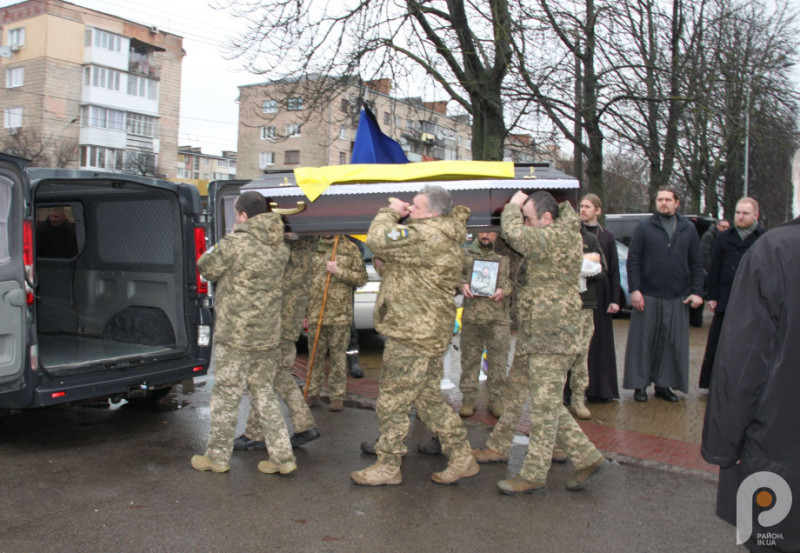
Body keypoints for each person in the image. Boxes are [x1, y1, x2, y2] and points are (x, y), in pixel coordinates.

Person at [472, 191, 608, 495]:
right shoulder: (551, 235)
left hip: (552, 336)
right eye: (523, 218)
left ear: (547, 219)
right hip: (535, 335)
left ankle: (534, 473)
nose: (525, 222)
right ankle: (585, 456)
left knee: (544, 410)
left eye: (528, 218)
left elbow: (514, 234)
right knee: (522, 392)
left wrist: (511, 205)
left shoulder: (560, 237)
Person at [701, 151, 800, 553]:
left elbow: (741, 365)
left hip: (777, 454)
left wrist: (723, 447)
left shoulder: (775, 252)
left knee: (770, 540)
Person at [350, 185, 479, 486]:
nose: (411, 212)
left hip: (413, 334)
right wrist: (387, 266)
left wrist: (392, 210)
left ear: (434, 213)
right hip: (425, 329)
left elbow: (378, 237)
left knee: (392, 401)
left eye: (416, 208)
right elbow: (415, 275)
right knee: (427, 400)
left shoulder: (428, 233)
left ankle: (388, 465)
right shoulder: (438, 235)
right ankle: (462, 456)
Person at [191, 191, 296, 475]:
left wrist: (227, 239)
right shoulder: (281, 247)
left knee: (226, 394)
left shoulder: (235, 243)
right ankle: (283, 458)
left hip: (235, 335)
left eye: (237, 213)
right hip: (267, 335)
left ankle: (216, 457)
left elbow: (205, 267)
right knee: (264, 393)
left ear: (243, 216)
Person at [233, 235, 322, 451]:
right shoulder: (307, 247)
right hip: (286, 322)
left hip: (275, 322)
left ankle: (256, 434)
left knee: (261, 376)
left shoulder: (287, 248)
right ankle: (303, 425)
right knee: (278, 374)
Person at [623, 188, 704, 402]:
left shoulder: (688, 230)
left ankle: (663, 385)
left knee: (670, 343)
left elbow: (696, 262)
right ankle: (639, 385)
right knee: (643, 342)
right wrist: (635, 289)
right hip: (648, 294)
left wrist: (697, 291)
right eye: (660, 199)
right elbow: (633, 261)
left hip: (678, 296)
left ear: (677, 203)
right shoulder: (644, 228)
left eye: (668, 199)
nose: (663, 203)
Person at [698, 198, 765, 389]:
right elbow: (715, 268)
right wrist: (711, 296)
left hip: (752, 301)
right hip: (725, 299)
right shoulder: (724, 237)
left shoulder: (763, 238)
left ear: (755, 216)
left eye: (745, 213)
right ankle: (713, 382)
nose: (741, 217)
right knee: (718, 343)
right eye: (738, 213)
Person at [305, 235, 368, 412]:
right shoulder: (312, 246)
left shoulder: (349, 248)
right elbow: (305, 281)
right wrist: (304, 312)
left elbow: (361, 278)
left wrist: (339, 271)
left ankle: (337, 396)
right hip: (316, 312)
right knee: (315, 357)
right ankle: (312, 392)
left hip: (340, 315)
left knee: (338, 357)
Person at [458, 231, 512, 418]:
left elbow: (517, 281)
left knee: (498, 361)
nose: (486, 236)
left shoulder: (506, 256)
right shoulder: (466, 255)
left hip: (498, 318)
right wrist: (462, 284)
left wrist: (505, 290)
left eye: (490, 232)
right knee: (469, 359)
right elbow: (455, 276)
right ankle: (468, 398)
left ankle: (496, 399)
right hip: (472, 317)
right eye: (482, 232)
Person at [579, 194, 621, 402]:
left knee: (600, 344)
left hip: (601, 295)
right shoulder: (575, 234)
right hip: (581, 296)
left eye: (587, 206)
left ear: (598, 210)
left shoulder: (607, 236)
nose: (583, 210)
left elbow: (613, 269)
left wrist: (615, 298)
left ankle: (600, 389)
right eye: (581, 206)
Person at [563, 227, 604, 420]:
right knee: (560, 354)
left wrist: (584, 266)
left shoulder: (590, 239)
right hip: (560, 306)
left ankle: (578, 399)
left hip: (584, 305)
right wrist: (584, 261)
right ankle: (557, 399)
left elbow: (603, 270)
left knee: (581, 353)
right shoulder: (555, 236)